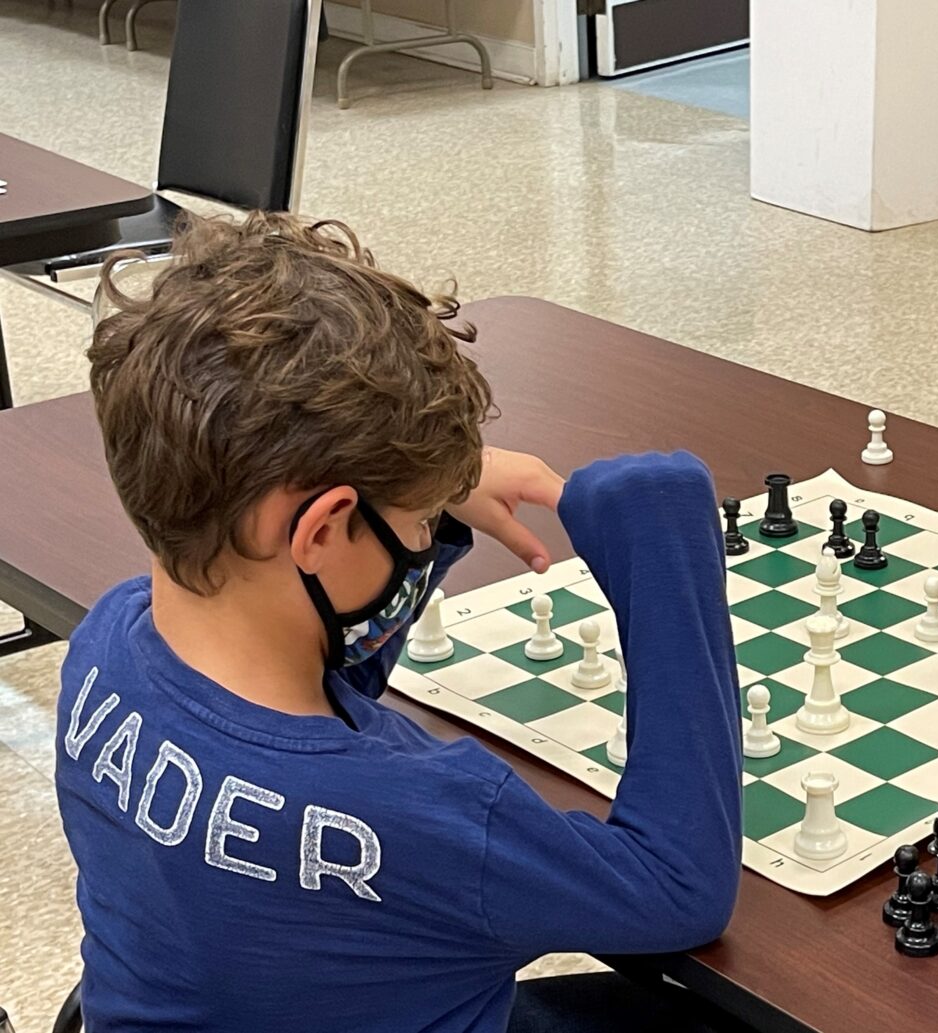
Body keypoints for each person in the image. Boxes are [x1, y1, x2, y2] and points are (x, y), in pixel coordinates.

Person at [54, 213, 744, 1033]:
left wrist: (422, 495)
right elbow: (680, 887)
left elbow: (310, 688)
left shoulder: (107, 643)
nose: (424, 536)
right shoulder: (426, 811)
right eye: (417, 522)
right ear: (320, 529)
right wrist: (667, 552)